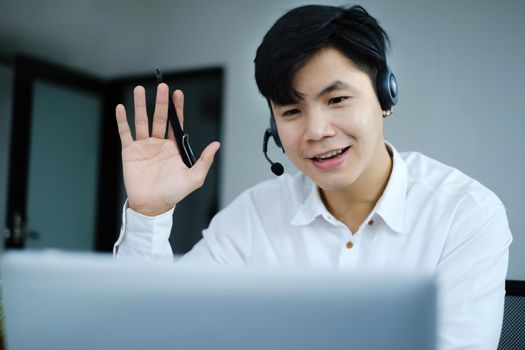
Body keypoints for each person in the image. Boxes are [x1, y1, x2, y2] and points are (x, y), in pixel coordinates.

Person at [113, 4, 512, 350]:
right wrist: (150, 213)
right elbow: (155, 329)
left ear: (385, 96)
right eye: (291, 111)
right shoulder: (252, 218)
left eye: (336, 99)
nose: (316, 130)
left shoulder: (466, 215)